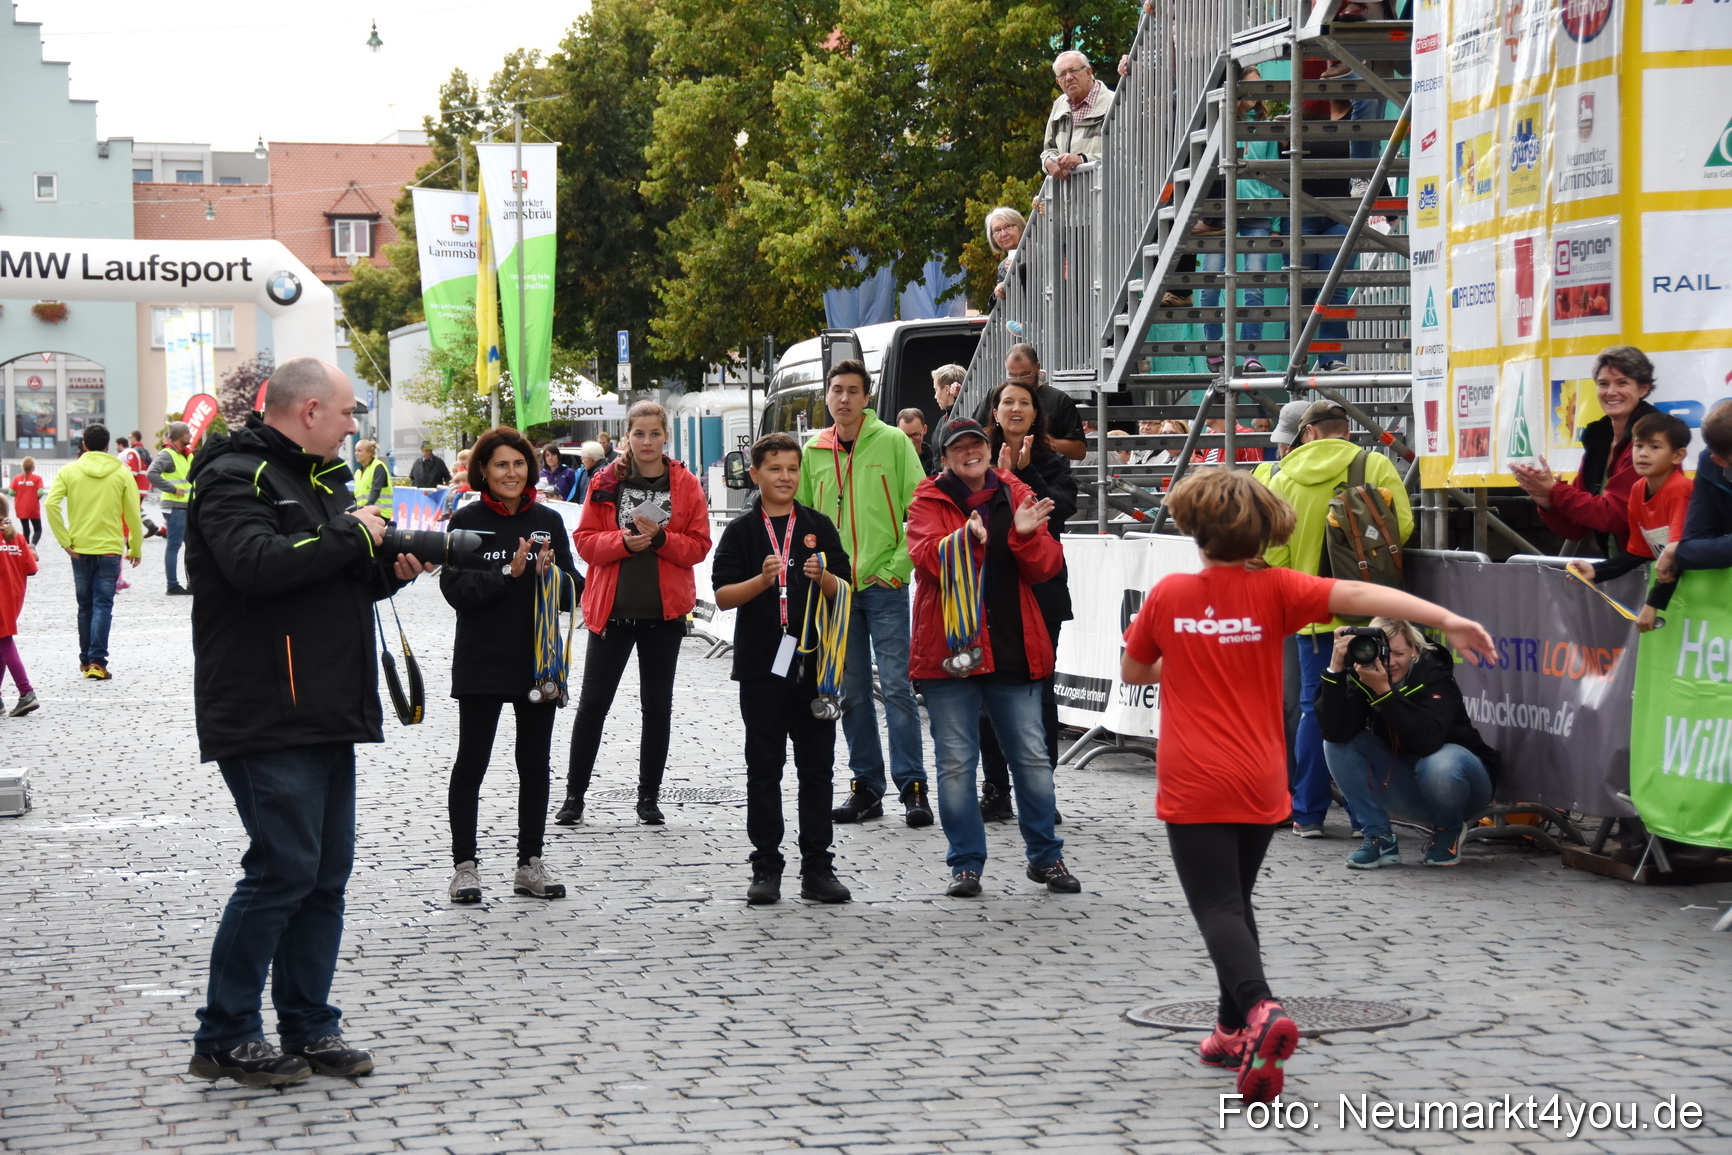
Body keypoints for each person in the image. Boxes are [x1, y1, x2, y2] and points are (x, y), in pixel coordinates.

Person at [1120, 468, 1495, 1104]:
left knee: (1215, 907)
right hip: (1260, 774)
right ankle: (1229, 1030)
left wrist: (1186, 652)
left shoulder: (1170, 594)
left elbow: (1135, 668)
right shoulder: (1280, 589)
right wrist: (1450, 618)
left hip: (1195, 774)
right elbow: (1369, 593)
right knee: (1234, 903)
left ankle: (1261, 1012)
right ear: (1264, 533)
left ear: (1192, 528)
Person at [183, 356, 434, 1087]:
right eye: (350, 411)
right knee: (282, 869)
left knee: (324, 875)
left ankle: (309, 1023)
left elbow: (328, 576)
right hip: (266, 707)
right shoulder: (233, 475)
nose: (358, 425)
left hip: (327, 705)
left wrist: (388, 568)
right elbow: (256, 566)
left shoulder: (327, 480)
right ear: (309, 412)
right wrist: (354, 538)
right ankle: (225, 1032)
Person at [907, 418, 1078, 895]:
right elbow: (924, 558)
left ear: (987, 449)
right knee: (957, 764)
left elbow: (1047, 566)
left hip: (1012, 646)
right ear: (944, 458)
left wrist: (1022, 535)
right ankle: (965, 864)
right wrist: (966, 540)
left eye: (976, 445)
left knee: (1031, 759)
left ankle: (1046, 857)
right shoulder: (928, 499)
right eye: (958, 448)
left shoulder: (1016, 490)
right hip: (951, 652)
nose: (969, 453)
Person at [712, 433, 854, 905]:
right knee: (764, 767)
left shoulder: (817, 525)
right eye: (774, 469)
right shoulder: (742, 531)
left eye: (792, 469)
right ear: (755, 475)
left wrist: (826, 578)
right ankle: (766, 866)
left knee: (817, 769)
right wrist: (762, 580)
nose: (785, 477)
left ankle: (818, 867)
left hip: (814, 666)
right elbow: (722, 597)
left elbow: (847, 589)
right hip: (761, 668)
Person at [441, 426, 582, 904]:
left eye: (519, 464)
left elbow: (572, 591)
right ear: (483, 469)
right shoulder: (465, 520)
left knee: (535, 765)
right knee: (472, 764)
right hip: (482, 658)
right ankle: (465, 867)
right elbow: (455, 592)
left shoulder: (548, 519)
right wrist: (510, 573)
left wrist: (553, 575)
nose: (511, 473)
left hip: (536, 663)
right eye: (501, 464)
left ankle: (529, 864)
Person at [1260, 400, 1413, 838]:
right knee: (1371, 706)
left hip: (1311, 617)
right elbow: (1400, 530)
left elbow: (1273, 554)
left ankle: (1307, 813)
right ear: (1345, 430)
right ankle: (1370, 818)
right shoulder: (1375, 464)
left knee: (1314, 710)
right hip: (1369, 609)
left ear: (1307, 433)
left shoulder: (1281, 476)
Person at [557, 400, 711, 827]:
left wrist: (662, 540)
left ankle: (648, 798)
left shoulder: (686, 483)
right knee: (593, 706)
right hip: (613, 612)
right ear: (627, 436)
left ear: (666, 436)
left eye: (654, 434)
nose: (646, 442)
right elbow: (585, 541)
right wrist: (622, 543)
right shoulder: (606, 479)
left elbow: (699, 545)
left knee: (656, 707)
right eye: (638, 434)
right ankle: (574, 797)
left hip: (664, 616)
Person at [795, 360, 934, 828]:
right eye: (836, 390)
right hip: (836, 593)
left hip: (885, 586)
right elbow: (806, 523)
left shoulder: (894, 442)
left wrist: (897, 569)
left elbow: (920, 510)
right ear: (827, 396)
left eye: (853, 391)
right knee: (850, 691)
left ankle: (913, 786)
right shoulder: (814, 450)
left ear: (866, 397)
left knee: (896, 688)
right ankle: (866, 787)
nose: (844, 399)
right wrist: (819, 571)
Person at [1317, 617, 1501, 869]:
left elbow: (1428, 741)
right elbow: (1334, 732)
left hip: (1464, 787)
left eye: (1399, 653)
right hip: (1408, 785)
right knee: (1336, 744)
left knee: (1439, 763)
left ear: (1415, 650)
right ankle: (1379, 837)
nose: (1390, 662)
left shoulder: (1434, 674)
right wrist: (1336, 669)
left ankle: (1448, 829)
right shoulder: (1365, 673)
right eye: (1383, 654)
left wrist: (1385, 693)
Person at [976, 380, 1077, 823]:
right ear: (994, 412)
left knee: (1040, 693)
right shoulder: (975, 458)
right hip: (990, 590)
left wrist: (1022, 475)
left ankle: (1040, 792)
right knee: (987, 695)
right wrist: (997, 475)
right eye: (1007, 402)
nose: (1015, 409)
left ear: (1036, 413)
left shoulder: (1052, 461)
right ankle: (996, 787)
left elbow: (1061, 509)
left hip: (1041, 591)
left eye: (1024, 403)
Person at [1512, 346, 1662, 553]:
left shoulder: (1656, 437)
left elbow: (1614, 517)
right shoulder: (1599, 437)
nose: (1611, 392)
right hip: (1620, 569)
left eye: (1622, 383)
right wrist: (1545, 499)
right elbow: (1575, 529)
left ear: (1643, 389)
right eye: (1603, 384)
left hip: (1654, 569)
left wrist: (1554, 490)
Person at [1568, 412, 1693, 632]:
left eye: (1655, 447)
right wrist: (1596, 571)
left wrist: (1652, 604)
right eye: (1638, 446)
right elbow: (1639, 553)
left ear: (1677, 456)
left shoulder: (1680, 489)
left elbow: (1676, 555)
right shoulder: (1637, 489)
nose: (1643, 453)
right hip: (1677, 590)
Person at [45, 424, 143, 680]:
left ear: (84, 445)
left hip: (79, 547)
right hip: (110, 548)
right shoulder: (122, 473)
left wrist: (64, 541)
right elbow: (133, 513)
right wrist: (135, 546)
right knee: (103, 605)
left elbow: (51, 504)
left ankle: (85, 661)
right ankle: (98, 662)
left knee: (85, 606)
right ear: (108, 446)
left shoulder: (69, 471)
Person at [958, 345, 1087, 462]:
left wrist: (1043, 441)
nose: (1019, 381)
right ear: (996, 413)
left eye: (1025, 375)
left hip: (1044, 474)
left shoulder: (1059, 400)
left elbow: (1079, 451)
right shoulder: (994, 395)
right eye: (1012, 376)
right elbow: (973, 434)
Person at [1658, 398, 1732, 582]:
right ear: (1720, 461)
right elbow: (1696, 538)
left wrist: (1679, 552)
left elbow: (1688, 550)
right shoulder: (1710, 467)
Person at [1041, 51, 1116, 179]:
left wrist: (1083, 160)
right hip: (1068, 197)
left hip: (1105, 195)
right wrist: (1048, 162)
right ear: (1058, 82)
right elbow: (1049, 149)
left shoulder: (1115, 103)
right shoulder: (1059, 105)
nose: (1069, 78)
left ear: (1088, 72)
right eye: (1062, 75)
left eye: (1073, 70)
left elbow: (1125, 155)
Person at [0, 494, 40, 717]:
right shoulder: (18, 538)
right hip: (13, 598)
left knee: (5, 643)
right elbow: (32, 569)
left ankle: (26, 691)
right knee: (1, 644)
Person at [148, 421, 195, 595]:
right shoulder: (167, 454)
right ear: (180, 435)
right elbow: (151, 473)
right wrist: (173, 489)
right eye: (187, 433)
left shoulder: (188, 455)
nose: (190, 435)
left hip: (187, 507)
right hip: (175, 507)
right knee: (174, 545)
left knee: (190, 546)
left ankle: (191, 584)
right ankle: (172, 585)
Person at [119, 435, 163, 539]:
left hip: (136, 485)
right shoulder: (145, 451)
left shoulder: (134, 451)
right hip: (143, 484)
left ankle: (135, 533)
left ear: (134, 438)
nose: (130, 439)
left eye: (130, 437)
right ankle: (150, 525)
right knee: (136, 508)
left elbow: (133, 470)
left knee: (131, 510)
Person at [986, 206, 1027, 301]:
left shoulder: (1041, 251)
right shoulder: (1002, 266)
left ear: (1020, 228)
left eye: (1008, 226)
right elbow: (995, 308)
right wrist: (998, 291)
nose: (1003, 234)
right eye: (997, 230)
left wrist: (1022, 269)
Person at [7, 457, 44, 547]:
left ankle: (26, 547)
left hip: (20, 507)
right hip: (33, 507)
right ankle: (33, 544)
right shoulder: (37, 478)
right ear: (32, 467)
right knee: (38, 529)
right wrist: (36, 497)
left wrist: (19, 495)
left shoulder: (17, 478)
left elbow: (11, 492)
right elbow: (41, 492)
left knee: (25, 529)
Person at [352, 439, 393, 516]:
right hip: (364, 513)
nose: (356, 453)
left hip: (380, 513)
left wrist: (367, 507)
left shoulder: (378, 467)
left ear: (369, 453)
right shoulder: (358, 472)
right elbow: (359, 494)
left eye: (359, 451)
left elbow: (376, 489)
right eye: (355, 450)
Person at [897, 407, 937, 476]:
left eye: (915, 434)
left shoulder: (935, 461)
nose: (910, 440)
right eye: (905, 436)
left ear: (924, 430)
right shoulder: (891, 458)